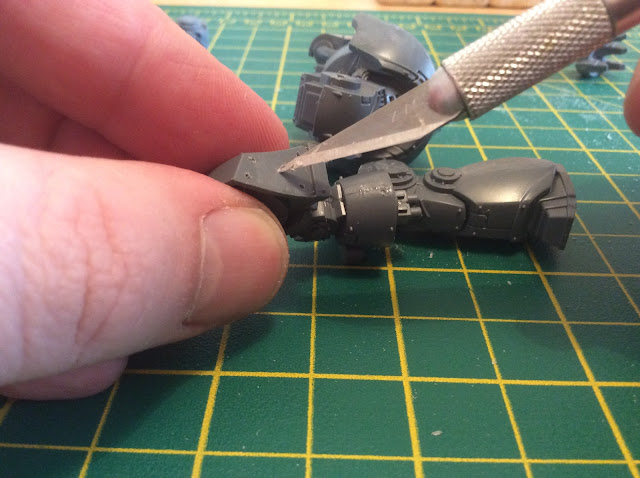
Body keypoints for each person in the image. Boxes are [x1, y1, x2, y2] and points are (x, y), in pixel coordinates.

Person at [0, 1, 638, 400]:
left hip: (359, 196)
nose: (331, 81)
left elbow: (404, 197)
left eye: (355, 73)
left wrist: (345, 209)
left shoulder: (384, 164)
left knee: (435, 194)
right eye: (339, 68)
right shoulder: (291, 156)